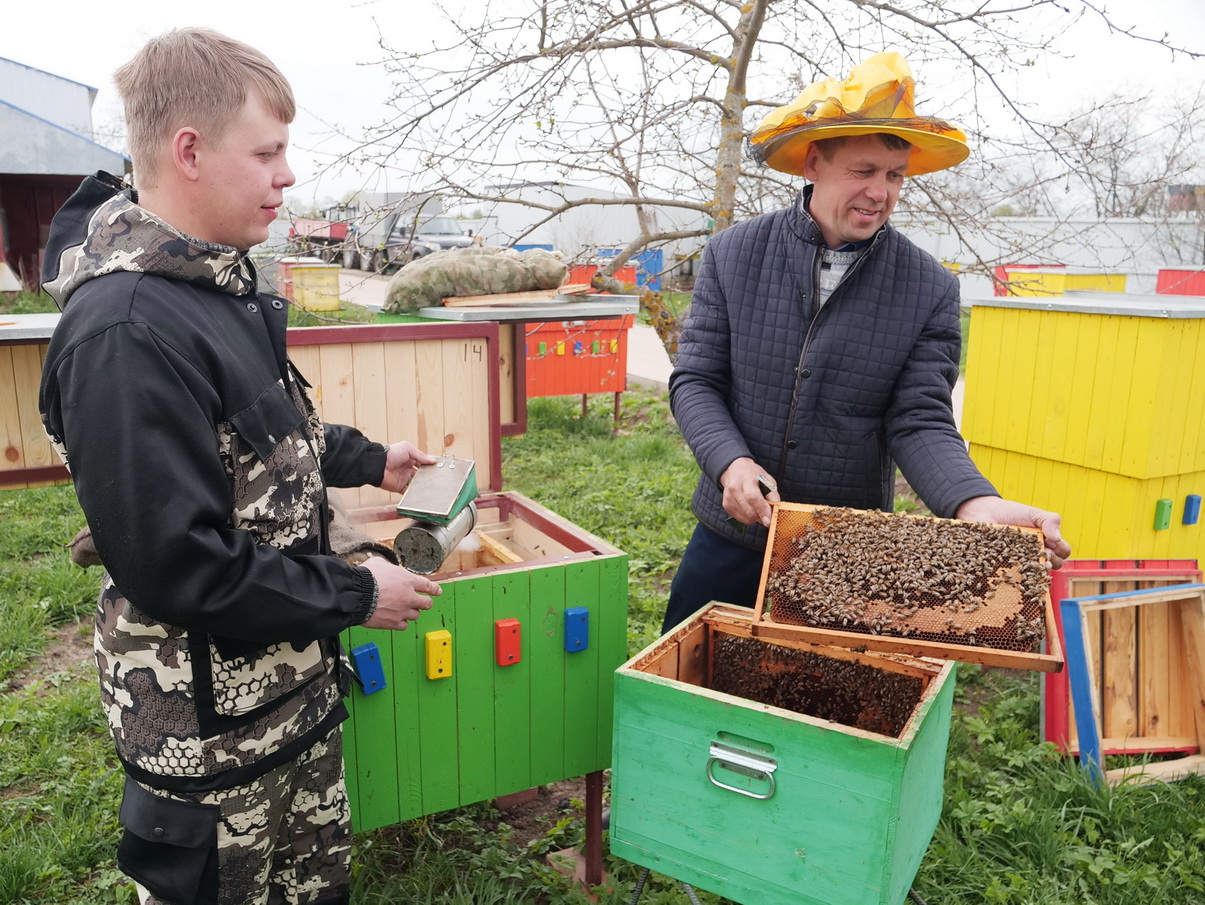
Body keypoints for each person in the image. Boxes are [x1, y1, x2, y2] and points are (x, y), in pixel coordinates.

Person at [38, 28, 440, 905]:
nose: (287, 175)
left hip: (289, 705)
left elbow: (266, 436)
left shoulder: (216, 289)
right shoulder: (127, 332)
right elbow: (177, 560)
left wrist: (375, 461)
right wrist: (358, 593)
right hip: (208, 741)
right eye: (268, 152)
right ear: (189, 150)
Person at [662, 52, 1072, 633]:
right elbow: (697, 379)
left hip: (843, 548)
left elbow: (919, 419)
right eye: (864, 170)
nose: (881, 192)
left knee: (815, 702)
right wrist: (730, 463)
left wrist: (973, 503)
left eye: (894, 175)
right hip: (730, 534)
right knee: (681, 689)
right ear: (813, 163)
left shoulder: (929, 287)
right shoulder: (734, 253)